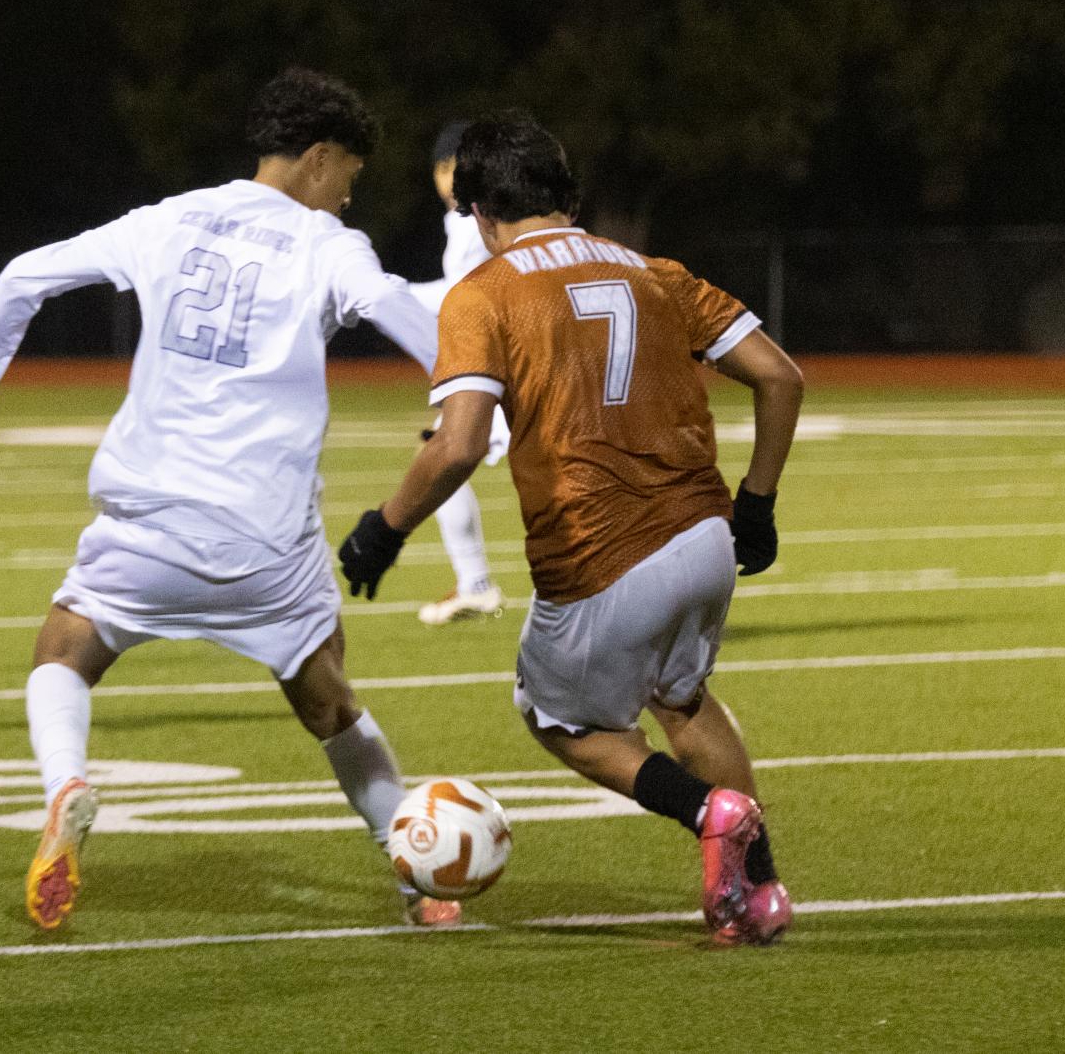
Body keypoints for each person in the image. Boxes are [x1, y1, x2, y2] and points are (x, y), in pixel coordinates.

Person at [0, 69, 455, 932]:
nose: (350, 196)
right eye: (349, 174)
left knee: (62, 651)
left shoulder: (165, 219)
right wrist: (469, 392)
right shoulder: (327, 245)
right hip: (265, 541)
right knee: (329, 700)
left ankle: (66, 784)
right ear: (318, 158)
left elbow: (25, 276)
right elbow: (399, 313)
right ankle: (417, 880)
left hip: (147, 521)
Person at [337, 111, 804, 946]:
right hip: (704, 533)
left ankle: (710, 813)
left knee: (560, 718)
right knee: (682, 698)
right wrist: (758, 501)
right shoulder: (656, 272)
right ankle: (759, 889)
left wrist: (385, 526)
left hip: (600, 548)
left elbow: (460, 444)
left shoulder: (484, 292)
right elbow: (779, 376)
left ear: (480, 213)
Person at [408, 121, 513, 626]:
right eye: (442, 169)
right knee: (441, 456)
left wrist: (385, 296)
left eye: (456, 168)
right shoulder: (466, 219)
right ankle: (474, 584)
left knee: (444, 456)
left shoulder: (480, 220)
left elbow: (461, 296)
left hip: (510, 365)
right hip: (498, 363)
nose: (448, 180)